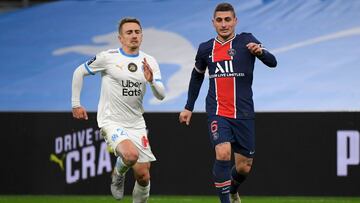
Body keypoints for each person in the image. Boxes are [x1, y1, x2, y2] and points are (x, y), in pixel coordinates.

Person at [179, 2, 277, 203]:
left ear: (235, 21)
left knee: (244, 167)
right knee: (223, 153)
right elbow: (197, 77)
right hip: (217, 110)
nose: (224, 24)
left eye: (227, 20)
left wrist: (261, 52)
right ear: (213, 23)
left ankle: (233, 190)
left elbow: (273, 62)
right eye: (219, 20)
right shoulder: (206, 48)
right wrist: (189, 106)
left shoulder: (247, 40)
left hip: (243, 113)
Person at [71, 17, 165, 202]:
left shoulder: (149, 61)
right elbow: (78, 72)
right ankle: (118, 173)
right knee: (130, 155)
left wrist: (151, 80)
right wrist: (76, 103)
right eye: (129, 32)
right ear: (120, 38)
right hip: (111, 120)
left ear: (142, 35)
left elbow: (161, 95)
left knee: (143, 176)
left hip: (136, 122)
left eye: (137, 32)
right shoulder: (109, 57)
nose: (134, 36)